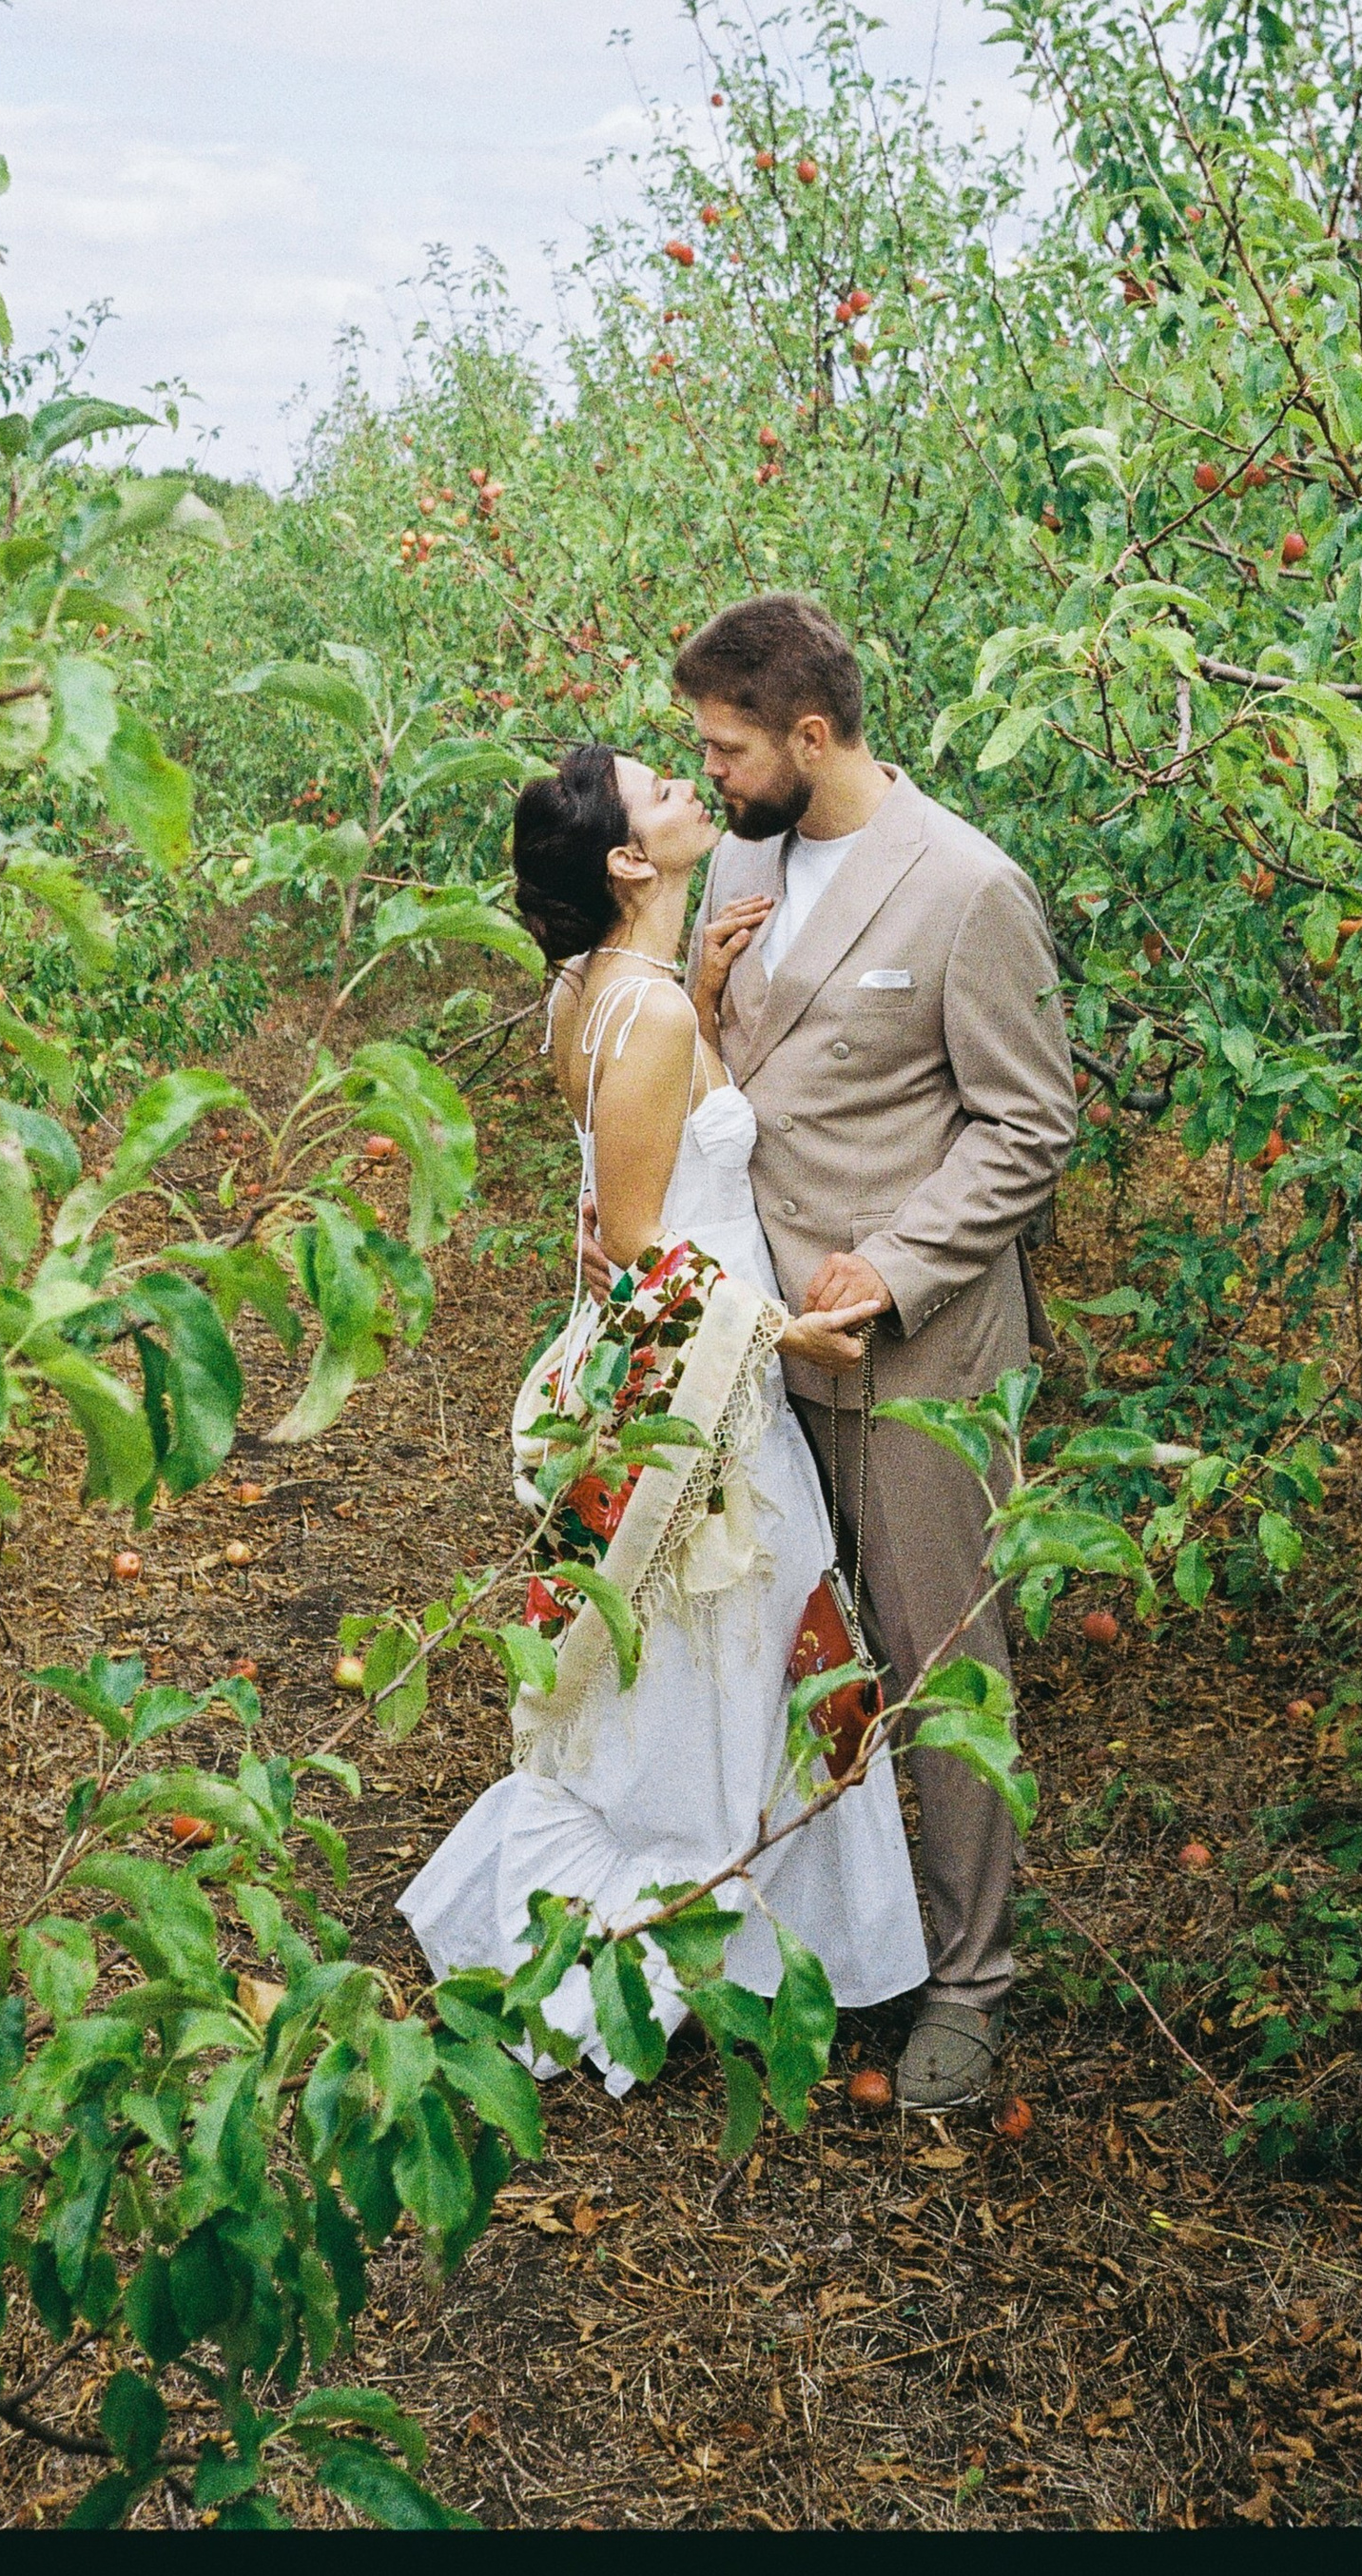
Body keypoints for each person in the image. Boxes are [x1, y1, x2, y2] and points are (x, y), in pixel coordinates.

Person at [399, 744, 927, 2081]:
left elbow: (619, 1158)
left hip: (663, 1353)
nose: (697, 794)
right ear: (634, 859)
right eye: (666, 793)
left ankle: (716, 1916)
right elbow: (639, 1240)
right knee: (755, 1626)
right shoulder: (647, 1018)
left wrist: (688, 995)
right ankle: (717, 1941)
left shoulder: (593, 990)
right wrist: (781, 1327)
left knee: (708, 1644)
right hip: (700, 1367)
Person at [662, 593, 1078, 2113]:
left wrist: (894, 1272)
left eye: (726, 747)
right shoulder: (750, 855)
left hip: (916, 1359)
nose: (708, 774)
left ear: (811, 737)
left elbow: (1031, 1121)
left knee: (943, 1668)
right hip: (769, 1356)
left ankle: (971, 1982)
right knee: (788, 1655)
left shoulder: (970, 888)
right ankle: (839, 1944)